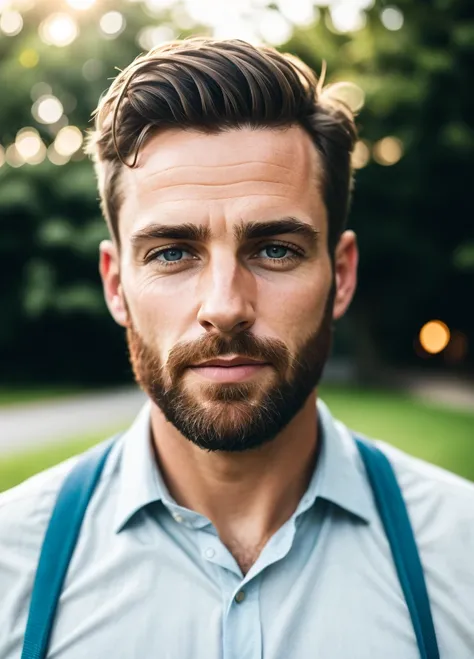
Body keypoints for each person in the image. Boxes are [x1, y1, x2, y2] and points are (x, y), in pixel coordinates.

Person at [0, 37, 473, 659]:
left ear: (343, 274)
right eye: (172, 253)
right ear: (116, 285)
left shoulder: (461, 553)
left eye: (275, 249)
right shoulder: (13, 566)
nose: (225, 306)